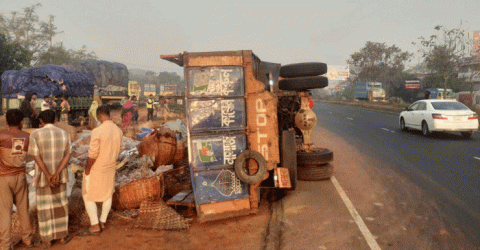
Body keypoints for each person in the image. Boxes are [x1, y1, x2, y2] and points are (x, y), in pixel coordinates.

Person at [28, 110, 72, 247]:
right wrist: (57, 173)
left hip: (43, 178)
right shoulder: (64, 134)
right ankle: (61, 237)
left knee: (45, 208)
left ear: (41, 121)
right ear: (55, 120)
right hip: (60, 177)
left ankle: (47, 240)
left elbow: (36, 157)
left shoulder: (35, 134)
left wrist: (47, 175)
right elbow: (68, 155)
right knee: (60, 206)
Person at [80, 106, 122, 236]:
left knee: (87, 194)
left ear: (99, 116)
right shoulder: (118, 130)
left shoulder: (97, 131)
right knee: (107, 194)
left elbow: (92, 154)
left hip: (97, 167)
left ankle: (94, 225)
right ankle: (102, 221)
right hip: (111, 166)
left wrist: (87, 169)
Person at [0, 109, 33, 250]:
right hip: (20, 176)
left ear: (6, 121)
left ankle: (5, 245)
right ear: (21, 122)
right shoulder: (27, 136)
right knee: (23, 210)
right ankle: (27, 240)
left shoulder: (1, 135)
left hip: (4, 177)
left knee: (5, 212)